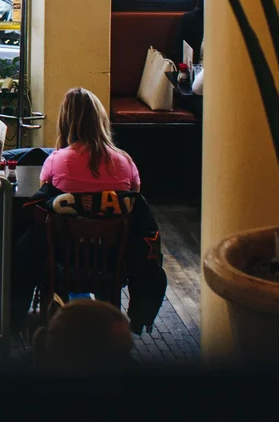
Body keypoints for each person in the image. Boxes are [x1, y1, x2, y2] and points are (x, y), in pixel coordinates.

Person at [12, 87, 166, 333]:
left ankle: (31, 316)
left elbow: (43, 196)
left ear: (65, 123)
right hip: (112, 260)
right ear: (101, 121)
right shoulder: (125, 162)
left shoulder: (56, 161)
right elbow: (135, 200)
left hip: (62, 259)